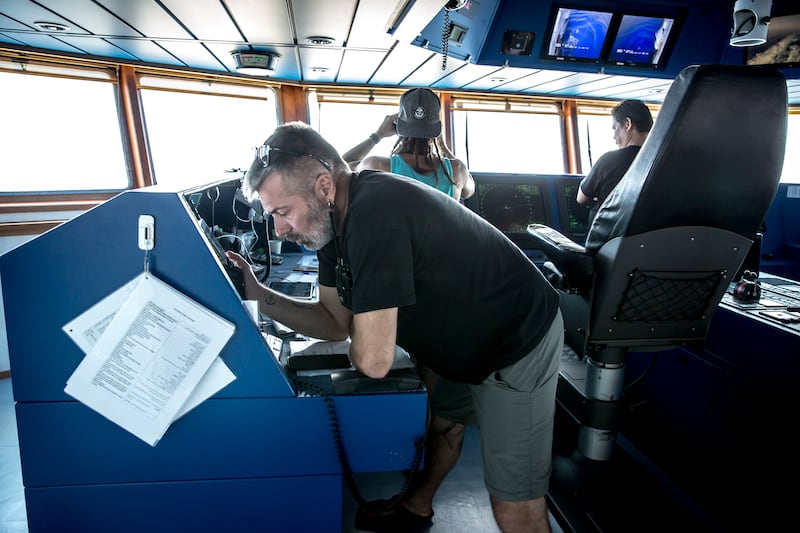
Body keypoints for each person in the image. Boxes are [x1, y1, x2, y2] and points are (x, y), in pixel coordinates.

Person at [226, 121, 563, 533]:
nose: (278, 229)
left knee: (516, 507)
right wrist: (260, 294)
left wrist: (364, 332)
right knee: (444, 428)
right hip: (462, 343)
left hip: (515, 341)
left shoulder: (375, 215)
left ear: (324, 187)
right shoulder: (332, 223)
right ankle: (417, 506)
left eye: (282, 212)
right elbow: (333, 322)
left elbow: (374, 360)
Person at [341, 87, 475, 202]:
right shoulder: (457, 170)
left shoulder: (378, 166)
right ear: (437, 129)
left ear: (398, 126)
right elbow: (470, 189)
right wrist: (443, 147)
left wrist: (378, 135)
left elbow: (341, 167)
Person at [577, 99, 654, 223]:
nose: (614, 136)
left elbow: (581, 198)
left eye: (615, 128)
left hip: (609, 241)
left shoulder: (608, 161)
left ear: (627, 124)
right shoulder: (666, 162)